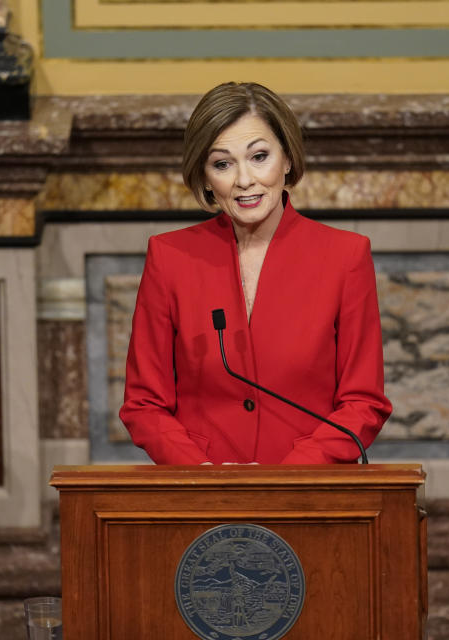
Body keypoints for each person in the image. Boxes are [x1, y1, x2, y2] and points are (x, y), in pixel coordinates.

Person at [119, 82, 391, 464]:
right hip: (202, 495)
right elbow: (144, 404)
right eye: (223, 164)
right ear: (206, 177)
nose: (244, 180)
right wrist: (204, 472)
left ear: (288, 160)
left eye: (259, 156)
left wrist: (288, 476)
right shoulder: (170, 258)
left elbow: (363, 402)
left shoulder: (345, 257)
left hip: (306, 493)